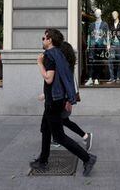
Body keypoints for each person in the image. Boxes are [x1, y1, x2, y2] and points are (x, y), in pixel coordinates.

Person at [30, 29, 97, 176]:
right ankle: (43, 160)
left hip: (53, 101)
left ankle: (87, 158)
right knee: (46, 130)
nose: (42, 40)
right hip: (55, 99)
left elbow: (49, 78)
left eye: (44, 38)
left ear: (50, 40)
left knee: (59, 136)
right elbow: (64, 77)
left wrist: (39, 63)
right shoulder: (59, 54)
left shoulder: (49, 56)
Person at [45, 41, 93, 151]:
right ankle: (83, 136)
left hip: (63, 98)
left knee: (59, 119)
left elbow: (70, 84)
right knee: (61, 120)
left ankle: (83, 136)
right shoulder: (65, 64)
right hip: (62, 97)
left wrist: (69, 100)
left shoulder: (64, 65)